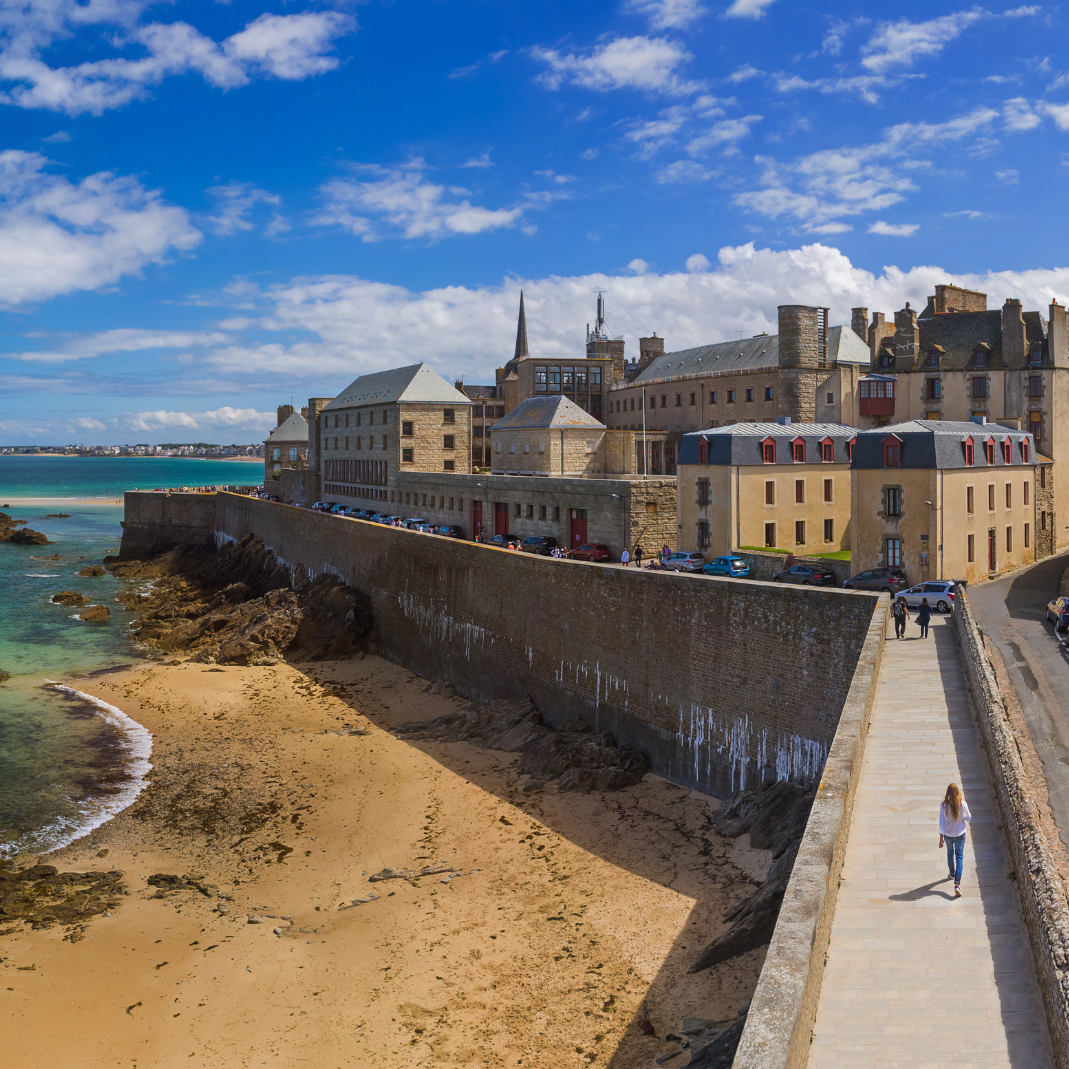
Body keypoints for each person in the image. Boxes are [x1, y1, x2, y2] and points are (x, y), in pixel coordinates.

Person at [939, 782, 971, 897]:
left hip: (948, 835)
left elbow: (942, 823)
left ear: (947, 793)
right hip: (960, 835)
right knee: (959, 858)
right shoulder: (962, 804)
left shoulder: (943, 805)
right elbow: (968, 818)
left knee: (950, 853)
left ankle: (952, 873)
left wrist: (941, 839)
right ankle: (957, 884)